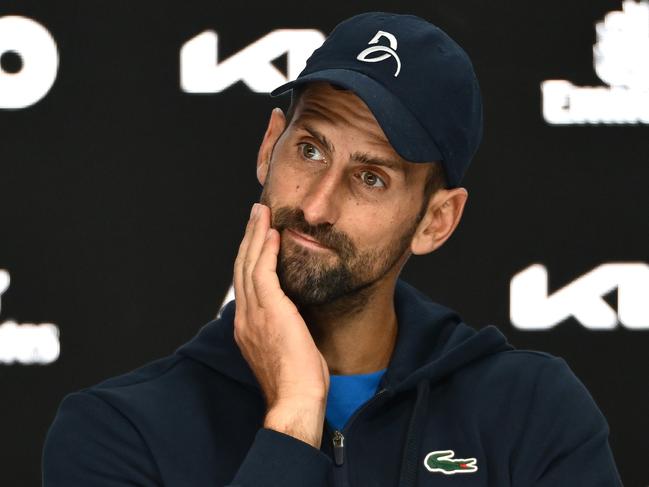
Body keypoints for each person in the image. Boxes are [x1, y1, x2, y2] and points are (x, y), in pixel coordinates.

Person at [42, 11, 623, 487]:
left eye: (371, 177)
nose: (316, 206)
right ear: (271, 145)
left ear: (436, 221)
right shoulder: (117, 430)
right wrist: (294, 420)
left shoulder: (532, 412)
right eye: (311, 151)